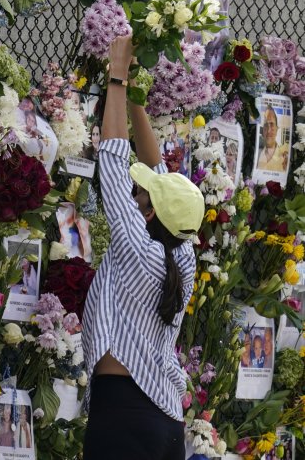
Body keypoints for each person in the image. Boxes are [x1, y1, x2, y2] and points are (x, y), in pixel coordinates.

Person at [82, 35, 204, 460]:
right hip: (165, 420)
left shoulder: (137, 247)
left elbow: (113, 161)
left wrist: (116, 76)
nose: (135, 195)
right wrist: (135, 99)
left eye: (141, 196)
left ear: (148, 214)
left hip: (122, 413)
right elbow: (157, 174)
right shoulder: (182, 255)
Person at [256, 105, 289, 171]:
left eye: (272, 124)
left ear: (277, 128)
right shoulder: (256, 155)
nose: (268, 130)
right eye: (265, 125)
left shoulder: (285, 155)